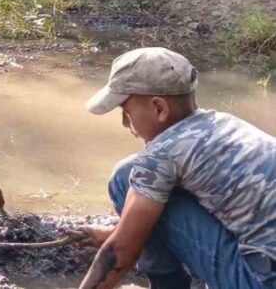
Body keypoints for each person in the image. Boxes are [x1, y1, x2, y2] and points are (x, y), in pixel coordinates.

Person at [76, 47, 276, 289]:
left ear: (159, 109)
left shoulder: (162, 154)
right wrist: (114, 232)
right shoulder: (225, 126)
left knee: (125, 177)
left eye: (127, 113)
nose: (126, 124)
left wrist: (120, 239)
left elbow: (121, 251)